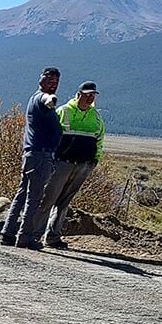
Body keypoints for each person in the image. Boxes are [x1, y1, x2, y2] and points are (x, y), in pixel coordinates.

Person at [0, 67, 62, 249]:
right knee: (33, 197)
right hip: (40, 155)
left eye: (56, 82)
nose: (53, 85)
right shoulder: (42, 98)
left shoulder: (33, 99)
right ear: (40, 80)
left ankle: (8, 232)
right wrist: (51, 100)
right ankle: (25, 237)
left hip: (31, 154)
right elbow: (47, 99)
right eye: (49, 80)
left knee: (22, 194)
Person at [41, 81, 105, 249]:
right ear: (78, 95)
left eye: (92, 95)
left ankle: (52, 237)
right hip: (61, 163)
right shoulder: (63, 111)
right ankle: (33, 234)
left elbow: (99, 140)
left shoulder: (96, 117)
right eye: (87, 95)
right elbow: (49, 135)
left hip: (83, 165)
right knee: (48, 198)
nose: (90, 98)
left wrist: (94, 160)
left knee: (65, 202)